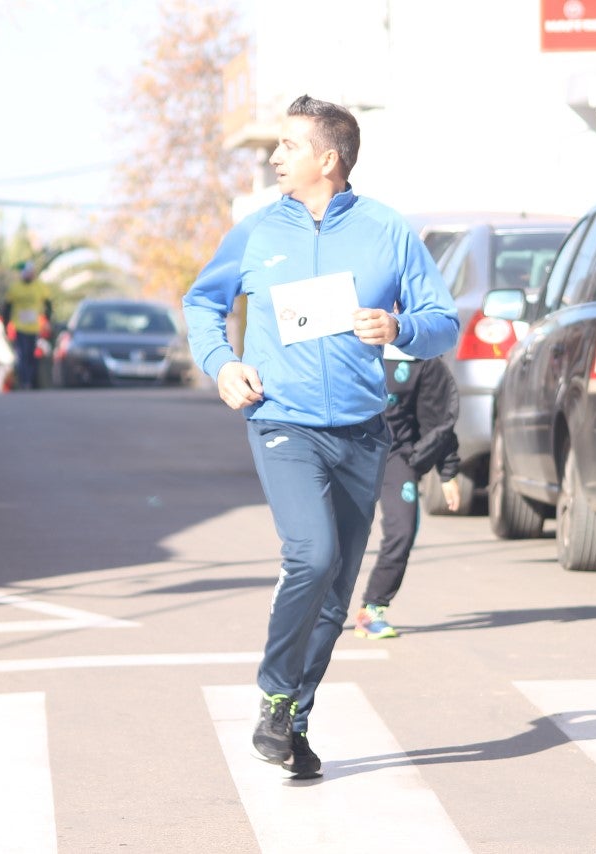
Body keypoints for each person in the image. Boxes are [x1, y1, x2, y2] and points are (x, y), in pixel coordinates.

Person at [182, 94, 458, 780]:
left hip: (365, 432)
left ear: (328, 160)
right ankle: (276, 693)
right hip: (283, 420)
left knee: (337, 591)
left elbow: (443, 320)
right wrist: (223, 366)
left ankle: (294, 718)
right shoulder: (256, 232)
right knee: (312, 554)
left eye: (289, 146)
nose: (276, 157)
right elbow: (201, 303)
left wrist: (399, 329)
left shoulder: (388, 231)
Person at [354, 346, 462, 639]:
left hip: (395, 455)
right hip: (347, 450)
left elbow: (437, 416)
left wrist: (448, 471)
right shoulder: (348, 340)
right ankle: (318, 608)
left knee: (403, 529)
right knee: (334, 536)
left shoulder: (421, 356)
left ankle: (373, 608)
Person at [2, 262, 52, 390]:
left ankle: (30, 379)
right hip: (20, 327)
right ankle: (25, 381)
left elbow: (48, 305)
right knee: (22, 354)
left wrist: (47, 320)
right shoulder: (15, 288)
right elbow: (7, 307)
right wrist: (6, 324)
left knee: (31, 355)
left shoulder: (39, 287)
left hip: (35, 327)